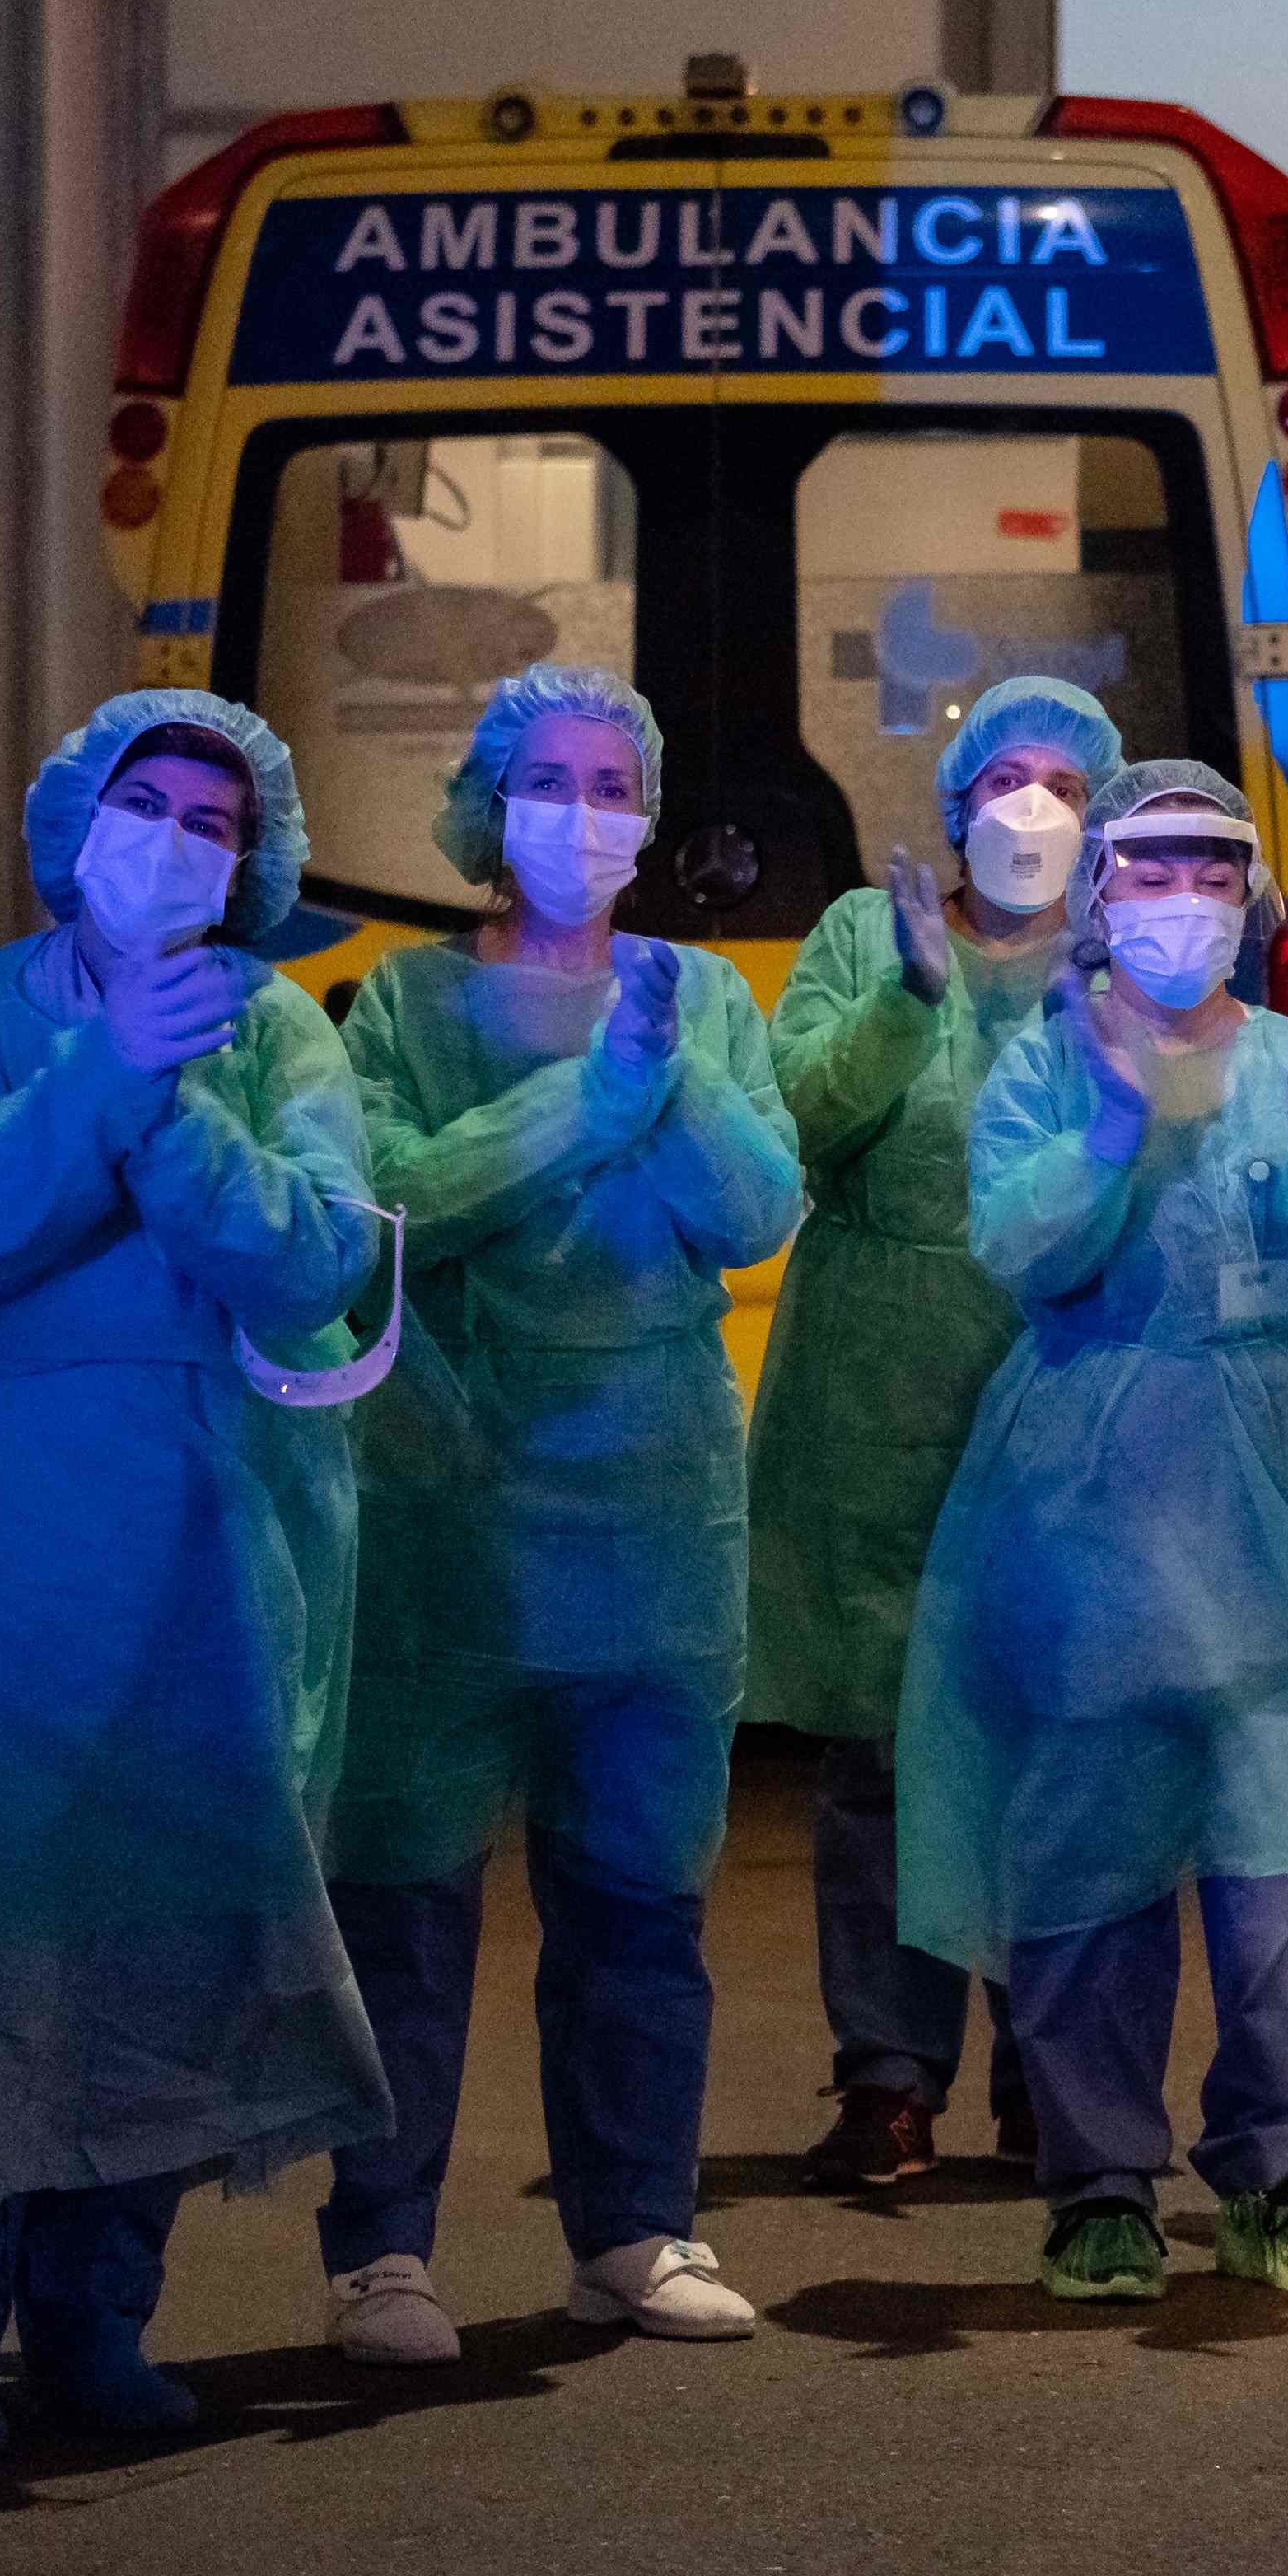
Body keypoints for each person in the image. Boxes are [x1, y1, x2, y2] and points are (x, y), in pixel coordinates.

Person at [0, 694, 388, 2457]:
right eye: (146, 802)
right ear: (73, 819)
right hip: (7, 1545)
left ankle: (100, 2317)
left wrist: (174, 1108)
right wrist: (103, 1076)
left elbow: (312, 1264)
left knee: (169, 1935)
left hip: (213, 1544)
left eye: (213, 820)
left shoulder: (278, 1036)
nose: (177, 840)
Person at [323, 666, 801, 2357]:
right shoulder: (402, 1004)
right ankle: (381, 2247)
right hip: (459, 1497)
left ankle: (633, 2226)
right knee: (408, 1891)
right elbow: (391, 1205)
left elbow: (752, 1214)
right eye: (552, 779)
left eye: (614, 785)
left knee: (637, 1899)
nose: (583, 814)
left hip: (655, 1503)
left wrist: (673, 1079)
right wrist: (586, 1105)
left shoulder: (694, 997)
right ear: (485, 801)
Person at [898, 765, 1288, 2305]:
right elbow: (1017, 1245)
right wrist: (1114, 1127)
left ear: (1250, 894)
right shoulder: (1050, 1067)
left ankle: (1282, 2168)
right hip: (1093, 1495)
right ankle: (1098, 2183)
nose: (1181, 900)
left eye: (1211, 869)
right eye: (1151, 871)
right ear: (1101, 894)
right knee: (1086, 1849)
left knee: (1286, 1852)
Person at [745, 674, 1118, 2191]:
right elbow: (800, 1122)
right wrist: (907, 996)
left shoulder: (1120, 955)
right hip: (877, 1377)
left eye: (1066, 784)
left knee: (1054, 1740)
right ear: (957, 799)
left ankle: (1054, 2064)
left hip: (1058, 1375)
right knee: (887, 1757)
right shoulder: (863, 932)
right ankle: (888, 2076)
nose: (1030, 806)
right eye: (1005, 776)